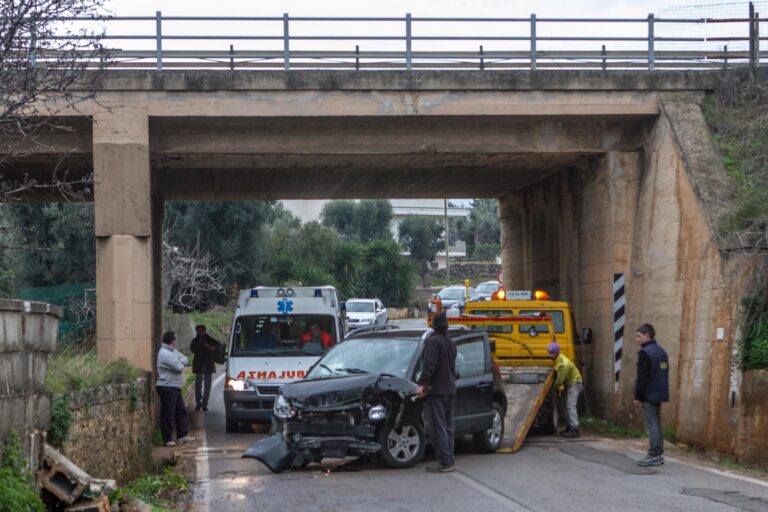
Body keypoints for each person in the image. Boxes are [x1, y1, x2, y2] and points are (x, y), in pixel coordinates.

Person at [416, 313, 457, 473]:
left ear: (433, 326)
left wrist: (422, 384)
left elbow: (429, 366)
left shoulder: (432, 342)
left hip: (437, 390)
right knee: (448, 427)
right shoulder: (450, 343)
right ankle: (449, 459)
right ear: (446, 326)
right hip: (450, 389)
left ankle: (444, 461)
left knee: (438, 426)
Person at [634, 323, 670, 467]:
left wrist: (637, 396)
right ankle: (658, 453)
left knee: (651, 424)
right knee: (657, 422)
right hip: (660, 392)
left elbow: (642, 377)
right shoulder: (662, 352)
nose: (637, 339)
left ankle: (654, 454)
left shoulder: (645, 353)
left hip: (649, 393)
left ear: (647, 336)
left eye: (639, 336)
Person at [156, 331, 195, 447]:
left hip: (175, 386)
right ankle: (167, 439)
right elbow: (178, 367)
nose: (175, 342)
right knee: (168, 413)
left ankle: (182, 435)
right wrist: (180, 361)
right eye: (175, 340)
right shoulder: (164, 354)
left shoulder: (172, 351)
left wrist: (180, 361)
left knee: (180, 411)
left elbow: (186, 359)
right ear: (172, 341)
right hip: (167, 386)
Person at [548, 341, 583, 438]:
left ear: (557, 352)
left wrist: (552, 389)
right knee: (562, 406)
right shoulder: (557, 360)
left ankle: (575, 429)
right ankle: (570, 425)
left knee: (570, 405)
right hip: (569, 384)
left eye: (552, 353)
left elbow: (560, 380)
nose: (550, 355)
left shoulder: (563, 364)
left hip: (575, 384)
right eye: (549, 353)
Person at [190, 324, 221, 411]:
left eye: (202, 330)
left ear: (205, 331)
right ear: (197, 331)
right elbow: (193, 349)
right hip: (199, 365)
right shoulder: (195, 340)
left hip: (208, 365)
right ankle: (198, 403)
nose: (200, 332)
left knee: (208, 386)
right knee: (198, 385)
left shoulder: (209, 339)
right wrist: (203, 346)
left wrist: (212, 348)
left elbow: (218, 345)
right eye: (199, 331)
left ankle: (204, 403)